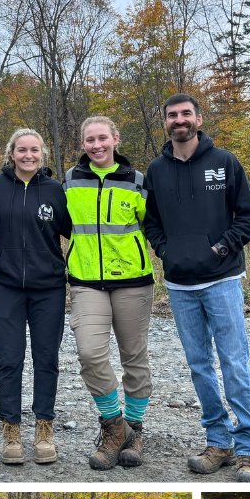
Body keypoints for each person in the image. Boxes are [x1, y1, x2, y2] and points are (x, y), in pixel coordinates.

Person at [143, 93, 250, 482]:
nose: (179, 120)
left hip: (223, 279)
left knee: (233, 362)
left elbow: (247, 217)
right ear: (165, 122)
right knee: (199, 365)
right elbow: (151, 222)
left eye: (185, 114)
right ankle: (218, 441)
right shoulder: (156, 171)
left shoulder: (225, 162)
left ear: (198, 118)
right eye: (172, 115)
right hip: (179, 284)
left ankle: (248, 450)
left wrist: (220, 247)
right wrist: (166, 250)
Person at [63, 116, 154, 469]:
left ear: (115, 139)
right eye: (90, 140)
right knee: (89, 352)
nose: (97, 145)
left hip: (133, 281)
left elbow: (156, 226)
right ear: (83, 143)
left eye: (103, 138)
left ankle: (136, 429)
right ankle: (115, 428)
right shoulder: (70, 180)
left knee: (134, 358)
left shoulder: (137, 181)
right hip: (86, 281)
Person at [0, 128, 72, 465]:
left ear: (42, 154)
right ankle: (11, 430)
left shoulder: (54, 191)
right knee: (9, 358)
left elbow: (76, 232)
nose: (28, 156)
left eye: (34, 150)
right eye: (22, 150)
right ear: (11, 153)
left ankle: (44, 427)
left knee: (46, 358)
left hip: (48, 287)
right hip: (6, 286)